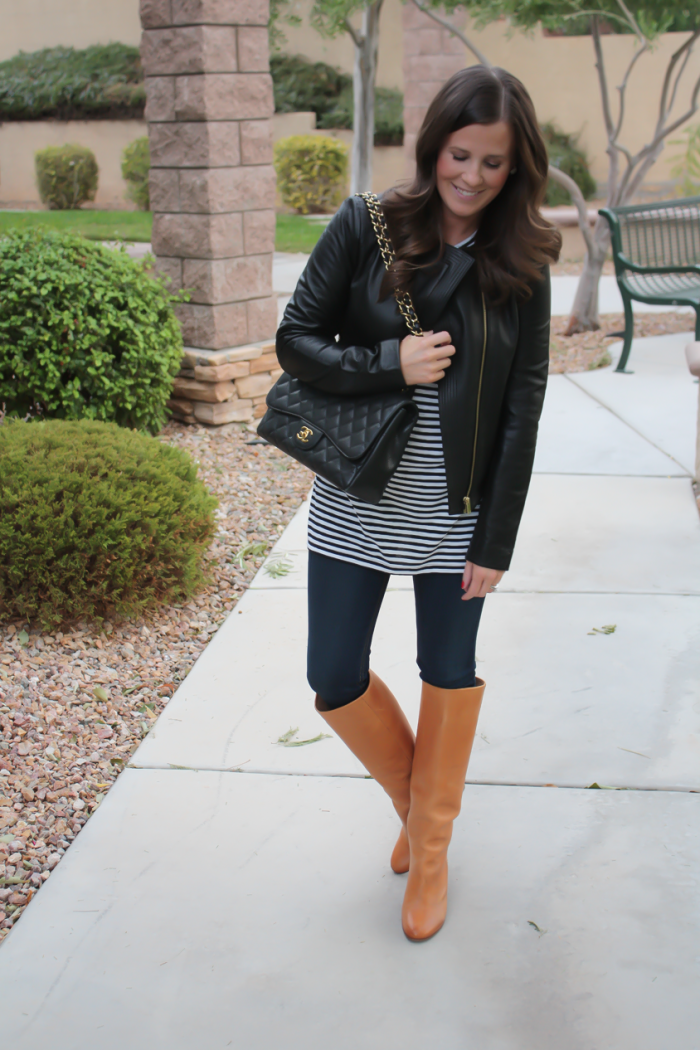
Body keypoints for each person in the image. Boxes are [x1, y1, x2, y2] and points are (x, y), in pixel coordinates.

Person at [276, 65, 561, 942]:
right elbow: (295, 342)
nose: (471, 177)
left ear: (517, 170)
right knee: (333, 677)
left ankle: (428, 852)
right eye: (459, 154)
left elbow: (524, 403)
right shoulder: (368, 226)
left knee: (448, 672)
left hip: (454, 513)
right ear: (434, 144)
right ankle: (422, 810)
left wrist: (496, 541)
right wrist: (387, 363)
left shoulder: (524, 262)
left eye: (493, 164)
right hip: (359, 496)